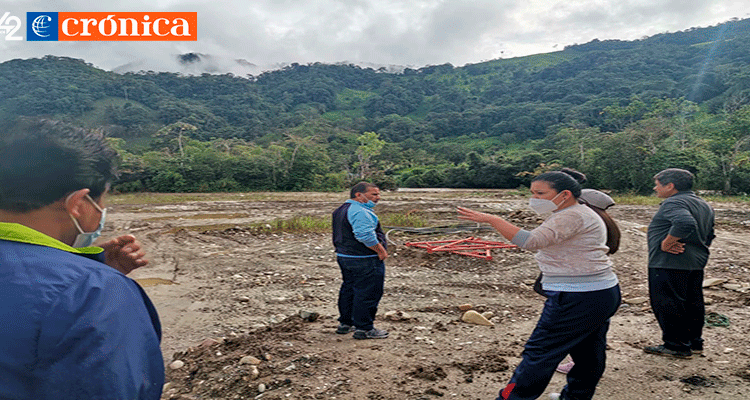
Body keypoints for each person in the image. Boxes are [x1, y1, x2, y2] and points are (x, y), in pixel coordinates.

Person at [0, 119, 164, 399]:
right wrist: (88, 278)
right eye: (102, 203)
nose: (102, 212)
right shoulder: (93, 294)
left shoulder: (85, 285)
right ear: (78, 203)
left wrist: (86, 266)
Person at [457, 169, 621, 400]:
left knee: (540, 353)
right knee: (588, 351)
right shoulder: (577, 212)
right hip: (600, 292)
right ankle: (576, 396)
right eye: (532, 193)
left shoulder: (571, 215)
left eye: (540, 193)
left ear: (564, 194)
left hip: (577, 297)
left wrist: (492, 219)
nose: (534, 198)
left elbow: (531, 241)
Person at [643, 168, 715, 360]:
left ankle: (676, 345)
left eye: (657, 184)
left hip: (668, 263)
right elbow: (709, 235)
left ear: (670, 186)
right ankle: (694, 342)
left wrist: (667, 243)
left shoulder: (673, 202)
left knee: (667, 303)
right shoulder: (703, 204)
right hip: (694, 263)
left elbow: (685, 223)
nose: (654, 188)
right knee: (693, 303)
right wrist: (696, 248)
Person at [332, 182, 389, 340]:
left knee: (349, 290)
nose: (378, 198)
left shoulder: (341, 210)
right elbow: (364, 235)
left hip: (345, 257)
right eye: (373, 194)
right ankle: (364, 328)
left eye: (378, 194)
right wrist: (381, 251)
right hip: (364, 260)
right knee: (368, 293)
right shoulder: (360, 211)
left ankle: (345, 323)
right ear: (359, 195)